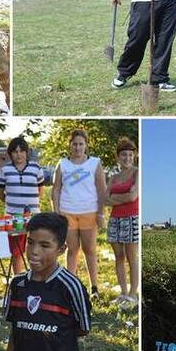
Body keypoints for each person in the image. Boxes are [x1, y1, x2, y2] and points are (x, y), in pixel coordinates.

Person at [3, 213, 91, 351]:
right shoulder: (17, 284)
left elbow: (82, 329)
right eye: (30, 242)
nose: (34, 251)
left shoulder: (70, 286)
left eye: (44, 245)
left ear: (61, 249)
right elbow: (15, 330)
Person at [51, 129, 107, 298]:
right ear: (70, 145)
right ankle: (71, 285)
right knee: (72, 249)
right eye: (74, 144)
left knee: (89, 249)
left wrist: (101, 213)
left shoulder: (94, 163)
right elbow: (56, 190)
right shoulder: (62, 164)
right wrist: (57, 214)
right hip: (67, 212)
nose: (77, 147)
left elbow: (102, 189)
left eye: (81, 144)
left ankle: (94, 287)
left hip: (89, 211)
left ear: (86, 145)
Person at [0, 136, 45, 275]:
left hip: (34, 216)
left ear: (26, 152)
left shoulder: (36, 168)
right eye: (15, 151)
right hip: (12, 216)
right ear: (10, 153)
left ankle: (36, 274)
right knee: (16, 251)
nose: (19, 155)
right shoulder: (4, 170)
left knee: (36, 247)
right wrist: (13, 203)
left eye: (22, 151)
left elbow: (40, 190)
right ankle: (18, 277)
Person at [103, 138, 139, 307]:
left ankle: (133, 295)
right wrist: (121, 198)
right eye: (123, 155)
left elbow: (133, 197)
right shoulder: (114, 177)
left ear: (135, 156)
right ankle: (123, 293)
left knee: (132, 257)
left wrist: (115, 197)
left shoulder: (137, 173)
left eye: (130, 155)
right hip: (115, 220)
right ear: (118, 157)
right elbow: (104, 199)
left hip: (131, 218)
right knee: (119, 257)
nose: (127, 158)